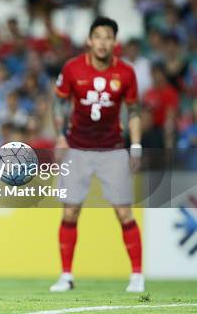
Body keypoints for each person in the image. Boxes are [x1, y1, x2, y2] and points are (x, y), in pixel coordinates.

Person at [50, 17, 144, 293]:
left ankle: (137, 276)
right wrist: (60, 136)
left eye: (108, 37)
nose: (103, 42)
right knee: (70, 211)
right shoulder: (72, 68)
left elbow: (134, 111)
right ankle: (66, 276)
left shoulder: (126, 73)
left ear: (115, 42)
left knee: (124, 212)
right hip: (77, 148)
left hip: (112, 149)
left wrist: (135, 146)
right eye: (98, 36)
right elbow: (58, 102)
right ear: (89, 40)